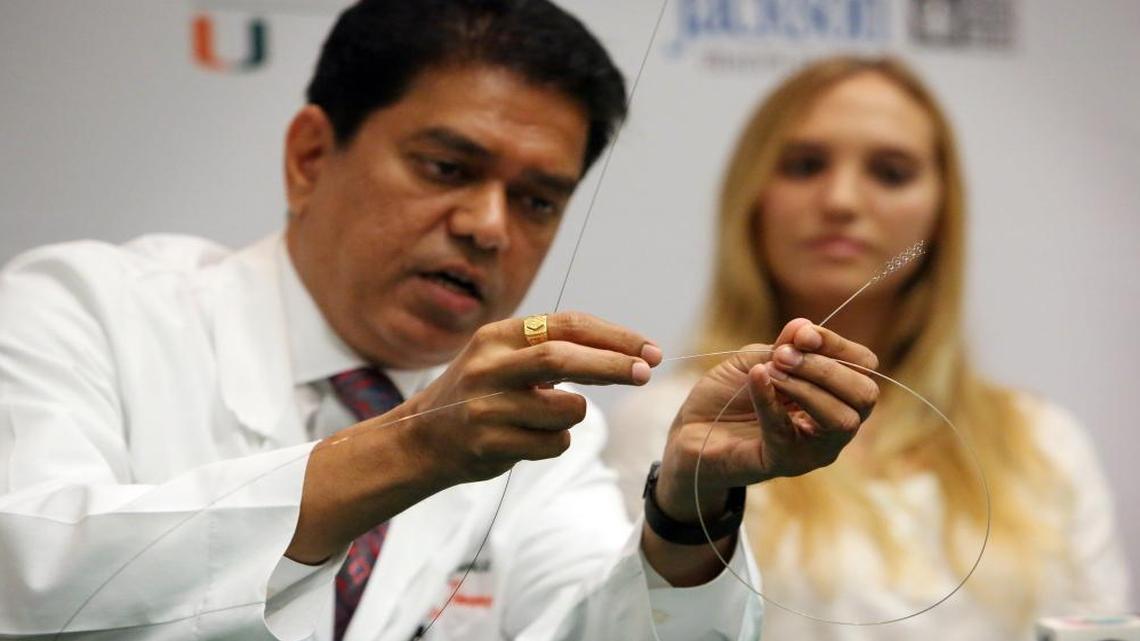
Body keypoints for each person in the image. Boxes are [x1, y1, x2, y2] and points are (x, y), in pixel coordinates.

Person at [0, 3, 883, 640]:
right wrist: (411, 448)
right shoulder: (85, 311)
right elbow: (31, 575)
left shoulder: (545, 431)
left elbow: (599, 628)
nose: (490, 225)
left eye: (538, 199)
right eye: (446, 166)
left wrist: (688, 508)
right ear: (311, 156)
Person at [603, 55, 1132, 640]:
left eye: (890, 172)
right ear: (751, 197)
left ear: (941, 215)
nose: (841, 201)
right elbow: (633, 626)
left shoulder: (1042, 443)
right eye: (804, 165)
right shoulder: (676, 426)